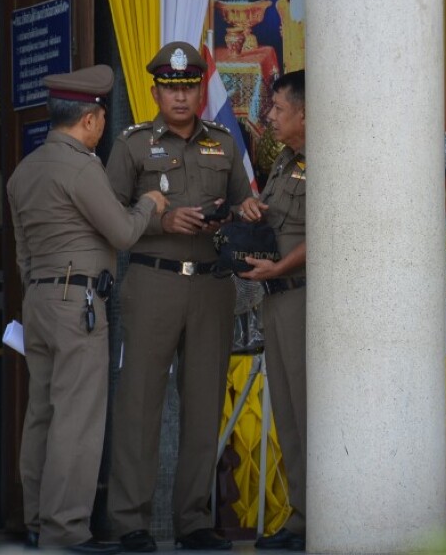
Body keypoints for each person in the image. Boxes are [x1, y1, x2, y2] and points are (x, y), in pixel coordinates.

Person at [104, 42, 264, 552]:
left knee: (203, 402)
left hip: (212, 284)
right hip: (153, 281)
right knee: (139, 403)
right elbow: (107, 220)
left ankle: (193, 520)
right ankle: (130, 521)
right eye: (171, 88)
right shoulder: (130, 145)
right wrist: (161, 218)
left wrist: (243, 212)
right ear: (154, 92)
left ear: (201, 89)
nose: (181, 96)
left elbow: (244, 204)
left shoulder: (222, 141)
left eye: (190, 86)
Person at [7, 65, 168, 553]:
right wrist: (149, 204)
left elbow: (22, 253)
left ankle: (37, 519)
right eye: (100, 121)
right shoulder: (81, 166)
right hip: (77, 302)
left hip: (38, 296)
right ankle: (65, 530)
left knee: (43, 413)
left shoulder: (24, 170)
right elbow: (121, 232)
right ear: (93, 119)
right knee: (77, 417)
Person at [239, 70, 307, 552]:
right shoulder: (284, 161)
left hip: (305, 297)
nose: (271, 117)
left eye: (279, 109)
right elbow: (275, 216)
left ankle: (322, 514)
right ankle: (303, 517)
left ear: (305, 112)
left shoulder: (330, 160)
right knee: (286, 411)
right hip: (276, 298)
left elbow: (330, 231)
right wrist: (251, 212)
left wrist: (281, 264)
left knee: (309, 411)